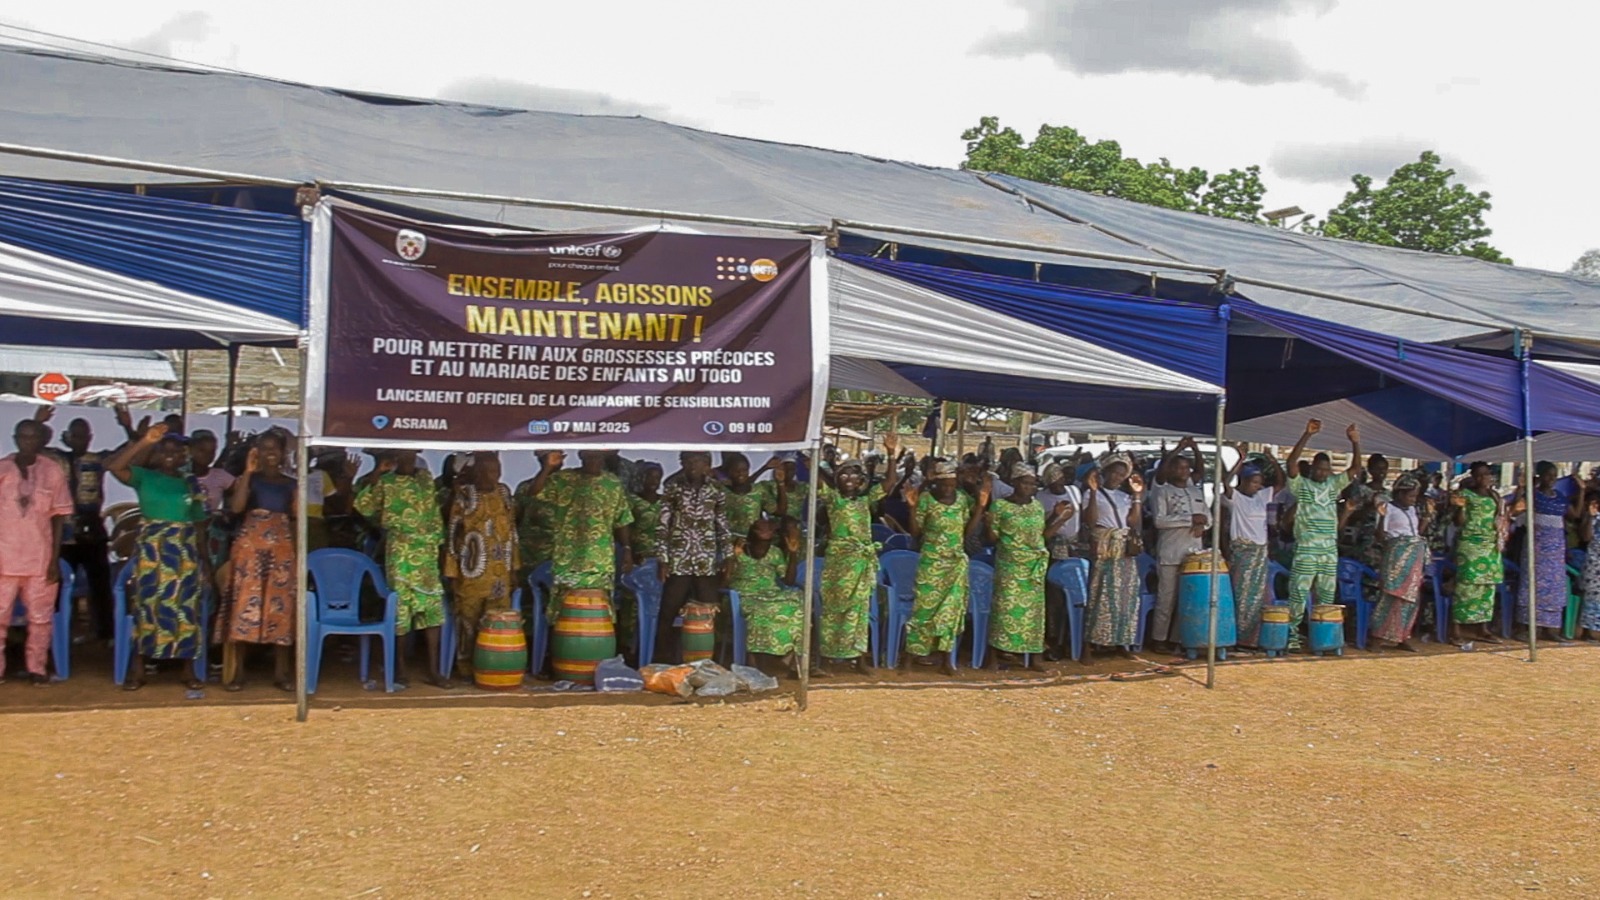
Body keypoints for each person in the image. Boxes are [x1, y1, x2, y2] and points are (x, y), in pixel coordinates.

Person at [105, 423, 208, 690]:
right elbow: (114, 467)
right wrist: (145, 441)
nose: (171, 456)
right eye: (165, 451)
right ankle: (139, 670)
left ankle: (187, 670)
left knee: (186, 609)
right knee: (147, 606)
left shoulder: (190, 483)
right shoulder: (144, 477)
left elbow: (199, 525)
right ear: (157, 454)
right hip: (153, 550)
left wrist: (205, 561)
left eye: (178, 452)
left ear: (186, 456)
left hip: (184, 551)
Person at [355, 449, 451, 688]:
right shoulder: (386, 482)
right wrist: (378, 471)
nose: (407, 456)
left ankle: (433, 671)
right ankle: (400, 669)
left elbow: (435, 516)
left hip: (427, 553)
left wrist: (439, 548)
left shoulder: (426, 479)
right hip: (401, 554)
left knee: (432, 612)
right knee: (400, 611)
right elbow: (363, 506)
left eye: (410, 451)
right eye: (402, 452)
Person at [528, 449, 634, 641]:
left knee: (597, 611)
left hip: (600, 560)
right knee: (564, 610)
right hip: (567, 558)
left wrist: (627, 549)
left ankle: (596, 658)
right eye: (589, 456)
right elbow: (535, 492)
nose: (593, 460)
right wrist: (548, 468)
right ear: (581, 456)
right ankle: (556, 658)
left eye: (597, 457)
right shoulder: (564, 479)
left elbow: (622, 519)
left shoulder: (612, 483)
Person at [219, 432, 296, 691]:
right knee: (244, 606)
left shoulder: (291, 484)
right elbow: (237, 508)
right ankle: (238, 672)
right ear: (256, 453)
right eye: (264, 449)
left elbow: (296, 517)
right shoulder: (249, 480)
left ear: (283, 452)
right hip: (250, 550)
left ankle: (281, 673)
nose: (269, 453)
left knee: (281, 609)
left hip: (282, 551)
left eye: (274, 449)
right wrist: (248, 473)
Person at [0, 419, 73, 684]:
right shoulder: (3, 468)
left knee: (40, 618)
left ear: (42, 440)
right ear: (15, 438)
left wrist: (54, 560)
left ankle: (37, 669)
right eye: (22, 436)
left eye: (33, 437)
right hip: (3, 558)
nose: (27, 442)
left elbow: (58, 517)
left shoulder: (52, 471)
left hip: (40, 559)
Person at [983, 463, 1072, 670]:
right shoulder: (1001, 506)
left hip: (1034, 567)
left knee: (1034, 614)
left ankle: (1033, 656)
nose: (1030, 488)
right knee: (1005, 611)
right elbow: (991, 538)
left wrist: (1058, 518)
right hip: (1010, 566)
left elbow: (1042, 536)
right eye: (1026, 483)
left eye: (1033, 484)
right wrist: (988, 524)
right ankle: (994, 655)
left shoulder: (1036, 507)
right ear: (1014, 483)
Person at [1283, 419, 1363, 651]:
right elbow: (1290, 464)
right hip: (1307, 548)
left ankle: (1322, 637)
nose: (1323, 472)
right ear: (1312, 469)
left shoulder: (1333, 485)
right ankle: (1292, 638)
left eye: (1327, 469)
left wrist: (1355, 442)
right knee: (1298, 594)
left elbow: (1355, 470)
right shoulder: (1302, 486)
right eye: (1319, 468)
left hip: (1329, 550)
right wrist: (1306, 435)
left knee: (1327, 595)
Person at [902, 460, 985, 675]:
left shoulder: (963, 501)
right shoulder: (926, 500)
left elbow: (967, 532)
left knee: (950, 613)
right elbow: (915, 532)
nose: (948, 489)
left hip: (955, 563)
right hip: (931, 563)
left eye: (952, 484)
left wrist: (980, 507)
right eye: (944, 485)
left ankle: (947, 661)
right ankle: (910, 658)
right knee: (923, 611)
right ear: (935, 484)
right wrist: (911, 509)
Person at [443, 450, 519, 679]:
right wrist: (452, 570)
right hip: (471, 571)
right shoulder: (465, 494)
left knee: (496, 621)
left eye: (495, 470)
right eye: (485, 471)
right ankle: (467, 668)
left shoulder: (504, 492)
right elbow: (454, 532)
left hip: (500, 573)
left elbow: (512, 532)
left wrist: (514, 568)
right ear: (475, 472)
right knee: (468, 621)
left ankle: (494, 665)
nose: (491, 476)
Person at [817, 455, 894, 673]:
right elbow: (817, 481)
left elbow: (889, 483)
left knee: (860, 611)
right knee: (832, 610)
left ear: (861, 480)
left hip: (861, 563)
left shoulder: (865, 501)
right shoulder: (832, 499)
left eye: (854, 474)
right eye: (843, 473)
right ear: (836, 479)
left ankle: (858, 658)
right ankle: (825, 659)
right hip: (838, 564)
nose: (848, 477)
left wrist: (890, 454)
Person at [656, 451, 730, 664]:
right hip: (679, 559)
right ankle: (662, 659)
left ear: (707, 464)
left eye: (695, 461)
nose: (690, 466)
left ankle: (708, 661)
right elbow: (663, 525)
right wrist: (663, 558)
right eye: (685, 462)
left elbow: (722, 525)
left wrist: (728, 557)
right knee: (668, 611)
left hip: (706, 560)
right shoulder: (673, 488)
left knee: (707, 612)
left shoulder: (716, 490)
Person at [49, 415, 115, 642]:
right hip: (63, 535)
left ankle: (106, 633)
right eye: (75, 435)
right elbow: (33, 445)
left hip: (92, 532)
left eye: (84, 436)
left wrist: (127, 426)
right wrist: (40, 421)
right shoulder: (55, 458)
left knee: (101, 586)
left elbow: (128, 454)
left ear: (90, 438)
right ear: (68, 436)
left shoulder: (98, 460)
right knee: (55, 586)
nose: (80, 440)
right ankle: (54, 634)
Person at [1081, 453, 1145, 656]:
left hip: (1124, 551)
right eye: (1114, 473)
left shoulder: (1125, 497)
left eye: (1121, 474)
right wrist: (1092, 493)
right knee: (1099, 595)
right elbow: (1091, 522)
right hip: (1104, 549)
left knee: (1125, 597)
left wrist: (1136, 496)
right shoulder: (1093, 494)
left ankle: (1120, 641)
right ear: (1105, 472)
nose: (1117, 477)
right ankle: (1089, 645)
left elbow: (1133, 523)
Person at [1149, 439, 1209, 650]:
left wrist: (1203, 523)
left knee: (1188, 599)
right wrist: (1190, 520)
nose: (1183, 471)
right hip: (1170, 553)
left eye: (1186, 467)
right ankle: (1159, 640)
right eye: (1178, 467)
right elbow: (1159, 521)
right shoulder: (1162, 491)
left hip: (1193, 553)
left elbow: (1208, 519)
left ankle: (1178, 639)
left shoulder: (1195, 492)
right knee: (1166, 599)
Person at [726, 518, 803, 675]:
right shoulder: (738, 550)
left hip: (771, 594)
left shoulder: (775, 552)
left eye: (769, 529)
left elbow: (788, 581)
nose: (766, 530)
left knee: (798, 603)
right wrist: (732, 559)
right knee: (762, 611)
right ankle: (754, 660)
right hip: (745, 596)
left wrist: (793, 554)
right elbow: (724, 581)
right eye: (761, 528)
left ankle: (789, 656)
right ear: (752, 532)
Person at [1514, 461, 1579, 643]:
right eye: (1548, 475)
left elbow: (1575, 515)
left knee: (1554, 587)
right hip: (1537, 546)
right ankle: (1526, 627)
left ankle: (1550, 629)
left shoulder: (1560, 496)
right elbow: (1517, 508)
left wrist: (1580, 492)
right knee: (1532, 583)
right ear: (1540, 476)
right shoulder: (1532, 495)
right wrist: (1524, 487)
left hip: (1556, 548)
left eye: (1554, 475)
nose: (1551, 479)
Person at [1369, 476, 1430, 651]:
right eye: (1410, 496)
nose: (1413, 499)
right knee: (1390, 596)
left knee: (1410, 599)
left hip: (1413, 558)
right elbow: (1380, 536)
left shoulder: (1412, 510)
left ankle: (1402, 636)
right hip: (1396, 557)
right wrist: (1380, 517)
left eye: (1415, 496)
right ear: (1400, 493)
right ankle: (1376, 638)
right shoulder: (1388, 508)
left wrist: (1426, 518)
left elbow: (1415, 534)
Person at [1223, 450, 1277, 648]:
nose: (1257, 486)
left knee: (1256, 595)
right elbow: (1225, 483)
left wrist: (1272, 460)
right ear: (1243, 482)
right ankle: (1235, 636)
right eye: (1253, 482)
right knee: (1241, 593)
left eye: (1259, 482)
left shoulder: (1261, 497)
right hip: (1242, 552)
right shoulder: (1236, 498)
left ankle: (1251, 638)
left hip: (1259, 553)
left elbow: (1280, 483)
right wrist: (1240, 461)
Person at [1450, 461, 1507, 645]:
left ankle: (1482, 628)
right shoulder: (1464, 495)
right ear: (1473, 477)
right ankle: (1456, 630)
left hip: (1490, 546)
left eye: (1486, 474)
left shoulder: (1494, 495)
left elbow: (1500, 518)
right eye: (1479, 475)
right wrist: (1459, 507)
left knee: (1487, 589)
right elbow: (1458, 522)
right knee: (1465, 587)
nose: (1484, 478)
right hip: (1470, 546)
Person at [1033, 462, 1080, 660]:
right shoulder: (1041, 497)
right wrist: (1055, 514)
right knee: (1054, 597)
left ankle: (1069, 639)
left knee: (1076, 596)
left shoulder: (1074, 491)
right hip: (1052, 549)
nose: (1060, 483)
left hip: (1073, 548)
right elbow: (1039, 528)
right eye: (1055, 480)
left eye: (1061, 479)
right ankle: (1052, 640)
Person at [513, 451, 560, 581]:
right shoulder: (525, 487)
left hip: (555, 553)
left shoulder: (567, 486)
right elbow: (516, 518)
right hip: (528, 553)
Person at [720, 452, 775, 540]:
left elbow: (776, 511)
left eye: (744, 470)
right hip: (727, 542)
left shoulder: (758, 491)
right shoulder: (721, 491)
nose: (741, 474)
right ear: (728, 472)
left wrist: (781, 484)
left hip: (753, 542)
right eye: (736, 471)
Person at [629, 462, 664, 560]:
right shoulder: (631, 500)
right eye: (650, 477)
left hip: (661, 555)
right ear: (641, 478)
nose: (654, 481)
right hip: (637, 554)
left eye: (657, 478)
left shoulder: (665, 501)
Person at [1577, 489, 1600, 641]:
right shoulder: (1594, 519)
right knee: (1592, 597)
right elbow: (1586, 537)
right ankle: (1587, 631)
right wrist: (1590, 518)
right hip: (1595, 563)